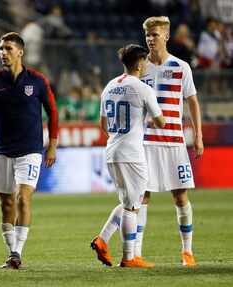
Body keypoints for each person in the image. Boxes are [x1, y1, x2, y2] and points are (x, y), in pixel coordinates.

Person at [91, 16, 204, 267]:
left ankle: (187, 251)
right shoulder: (140, 69)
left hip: (174, 142)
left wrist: (198, 135)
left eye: (155, 34)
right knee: (141, 198)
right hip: (146, 143)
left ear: (166, 35)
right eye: (147, 35)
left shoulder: (181, 67)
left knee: (181, 196)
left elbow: (192, 101)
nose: (151, 39)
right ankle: (136, 253)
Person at [0, 32, 58, 269]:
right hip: (2, 150)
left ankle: (17, 251)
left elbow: (53, 113)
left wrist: (52, 146)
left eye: (8, 48)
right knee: (6, 204)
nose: (3, 53)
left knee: (22, 198)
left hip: (30, 150)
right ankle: (12, 254)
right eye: (0, 49)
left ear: (20, 52)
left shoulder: (37, 81)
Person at [99, 44, 165, 267]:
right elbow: (160, 121)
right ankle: (129, 257)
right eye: (145, 61)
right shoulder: (142, 88)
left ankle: (102, 240)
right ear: (138, 63)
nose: (146, 64)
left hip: (112, 151)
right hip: (132, 153)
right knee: (133, 206)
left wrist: (118, 135)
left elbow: (102, 123)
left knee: (128, 200)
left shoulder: (109, 86)